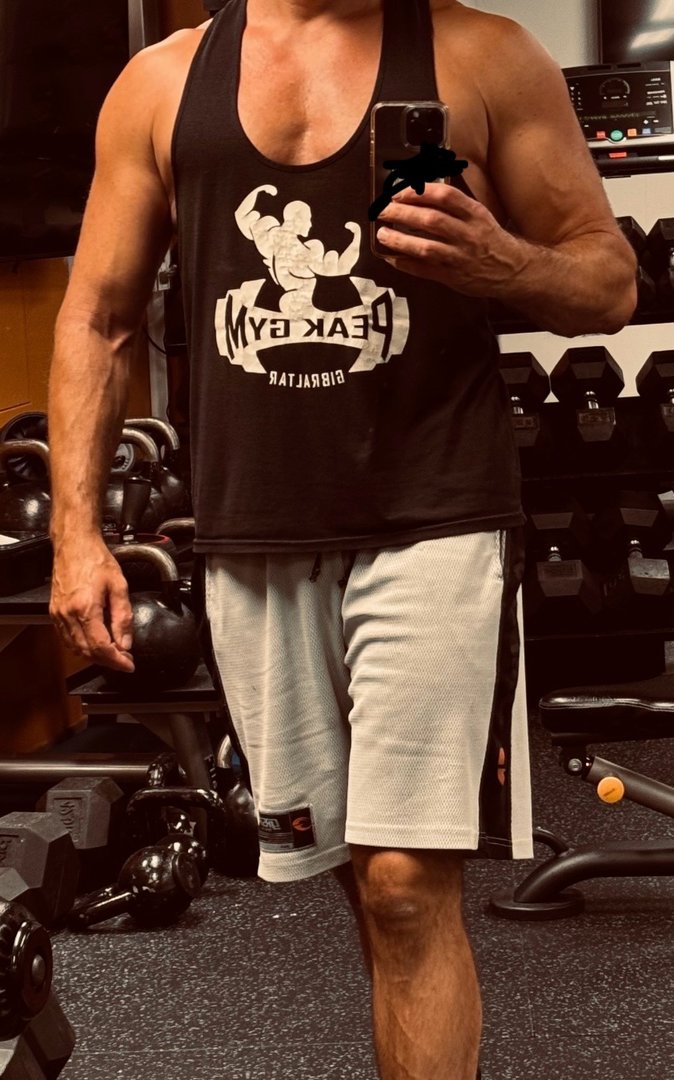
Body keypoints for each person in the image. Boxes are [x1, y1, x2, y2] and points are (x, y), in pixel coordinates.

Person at [47, 2, 637, 1078]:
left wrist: (503, 263)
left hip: (434, 516)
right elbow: (98, 316)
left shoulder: (482, 56)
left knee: (407, 883)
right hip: (253, 534)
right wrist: (74, 535)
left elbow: (607, 282)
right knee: (357, 875)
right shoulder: (163, 84)